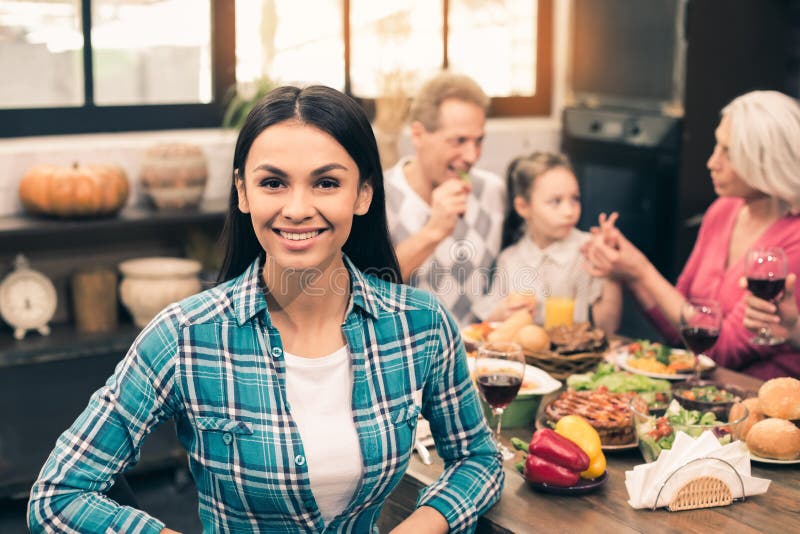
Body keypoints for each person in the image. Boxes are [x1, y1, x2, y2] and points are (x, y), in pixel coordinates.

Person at [28, 86, 504, 533]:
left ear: (363, 193)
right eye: (273, 182)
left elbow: (478, 460)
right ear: (242, 192)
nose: (297, 208)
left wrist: (421, 525)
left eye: (326, 183)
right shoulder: (185, 335)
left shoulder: (419, 324)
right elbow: (57, 494)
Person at [583, 90, 800, 380]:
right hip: (703, 389)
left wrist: (642, 270)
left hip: (757, 402)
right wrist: (629, 271)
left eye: (729, 152)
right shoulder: (722, 211)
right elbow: (680, 326)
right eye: (716, 146)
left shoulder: (793, 238)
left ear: (766, 162)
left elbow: (721, 351)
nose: (712, 162)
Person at [384, 71, 505, 326]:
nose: (472, 156)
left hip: (477, 355)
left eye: (478, 141)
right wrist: (434, 231)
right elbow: (367, 290)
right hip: (410, 359)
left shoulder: (492, 191)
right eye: (459, 140)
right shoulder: (377, 197)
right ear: (418, 135)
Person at [475, 152, 622, 334]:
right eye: (556, 201)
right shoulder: (509, 259)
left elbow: (607, 327)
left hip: (574, 357)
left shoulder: (588, 250)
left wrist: (612, 273)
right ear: (523, 207)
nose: (569, 211)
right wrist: (501, 313)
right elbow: (489, 322)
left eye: (574, 199)